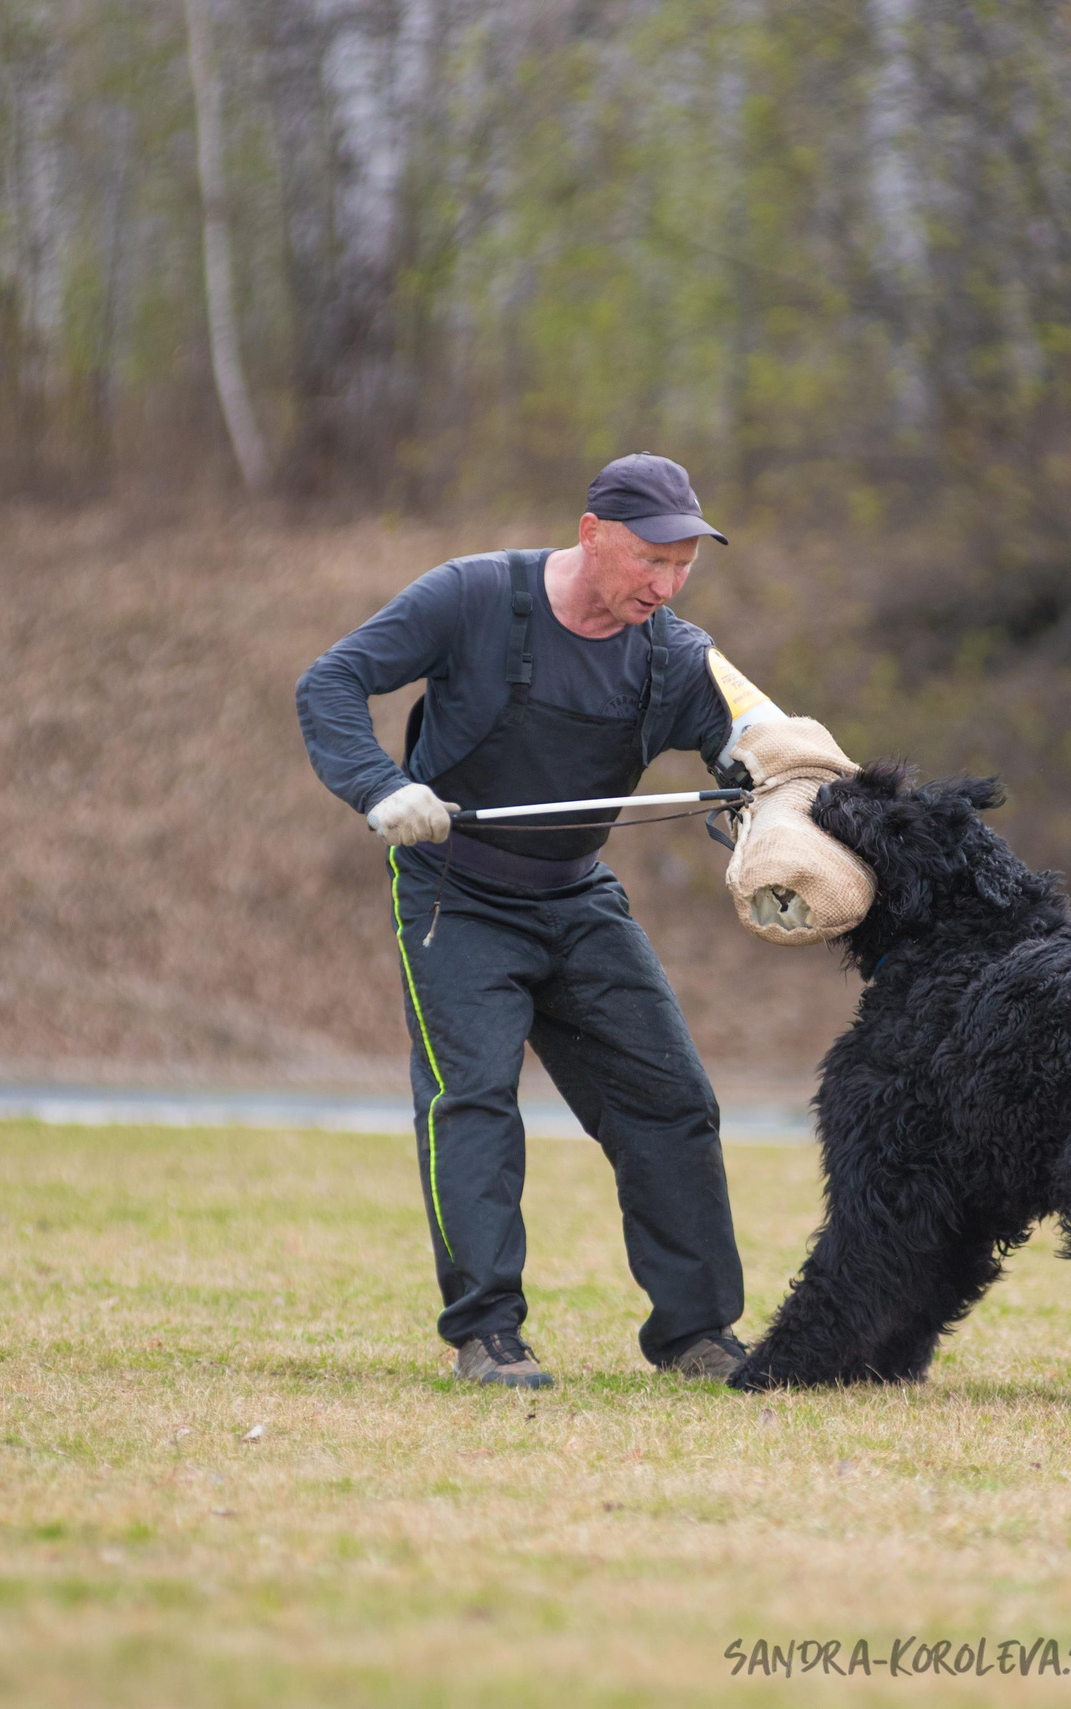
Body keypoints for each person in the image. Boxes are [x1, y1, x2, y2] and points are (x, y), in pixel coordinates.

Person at [296, 454, 805, 1390]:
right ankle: (486, 1334)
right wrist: (382, 787)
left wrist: (788, 785)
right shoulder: (472, 597)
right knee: (475, 1104)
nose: (667, 582)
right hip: (455, 892)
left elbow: (759, 736)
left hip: (576, 896)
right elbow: (329, 685)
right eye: (651, 558)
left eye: (684, 562)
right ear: (591, 533)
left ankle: (696, 1335)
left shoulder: (675, 652)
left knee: (673, 1101)